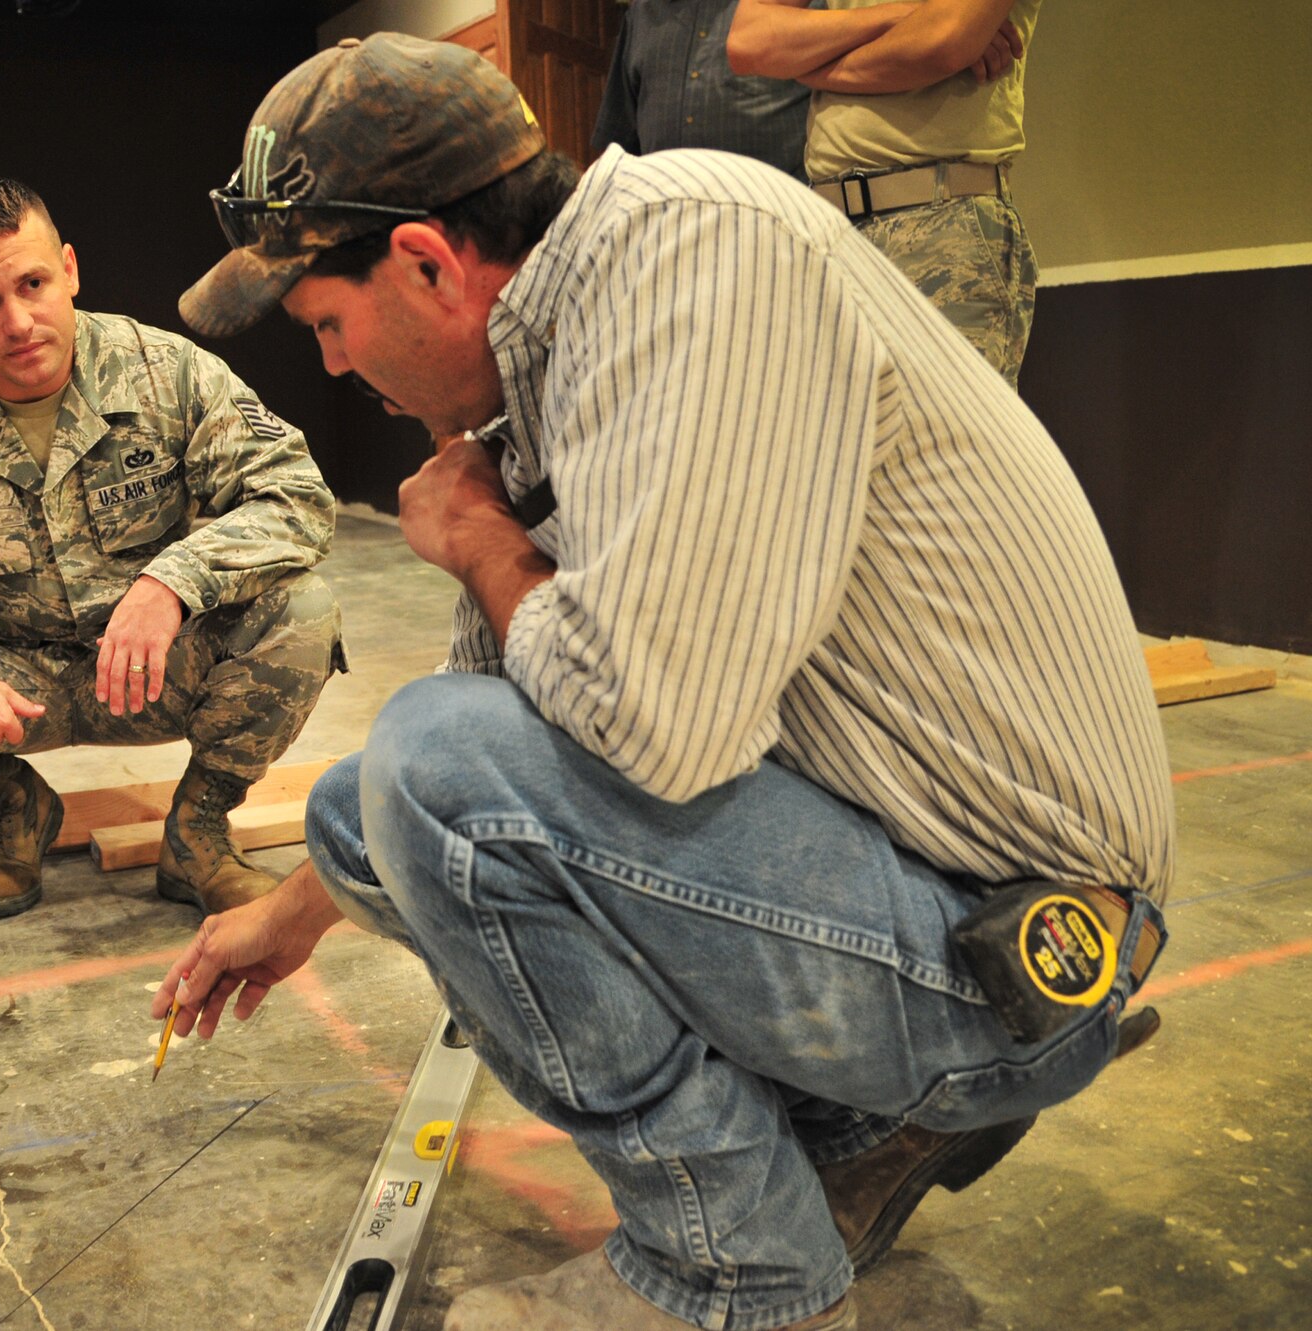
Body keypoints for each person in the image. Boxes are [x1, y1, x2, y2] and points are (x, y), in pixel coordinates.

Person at [158, 33, 1171, 1331]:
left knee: (434, 764)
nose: (338, 366)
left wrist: (478, 538)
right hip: (926, 899)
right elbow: (511, 710)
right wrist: (301, 907)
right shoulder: (572, 330)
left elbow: (648, 729)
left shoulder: (697, 263)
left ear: (425, 260)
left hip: (1021, 961)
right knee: (368, 806)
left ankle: (738, 1267)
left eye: (329, 326)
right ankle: (846, 1136)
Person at [0, 177, 342, 921]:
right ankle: (11, 805)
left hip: (147, 664)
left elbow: (295, 496)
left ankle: (199, 829)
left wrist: (172, 582)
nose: (18, 321)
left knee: (301, 610)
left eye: (34, 284)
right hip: (3, 681)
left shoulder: (166, 373)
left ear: (69, 270)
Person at [727, 0, 1043, 384]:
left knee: (936, 439)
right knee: (840, 442)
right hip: (831, 231)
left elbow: (942, 42)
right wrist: (902, 15)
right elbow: (750, 41)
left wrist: (809, 65)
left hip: (942, 222)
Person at [592, 0, 819, 180]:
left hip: (774, 218)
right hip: (666, 222)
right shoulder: (641, 16)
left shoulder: (800, 6)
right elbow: (617, 147)